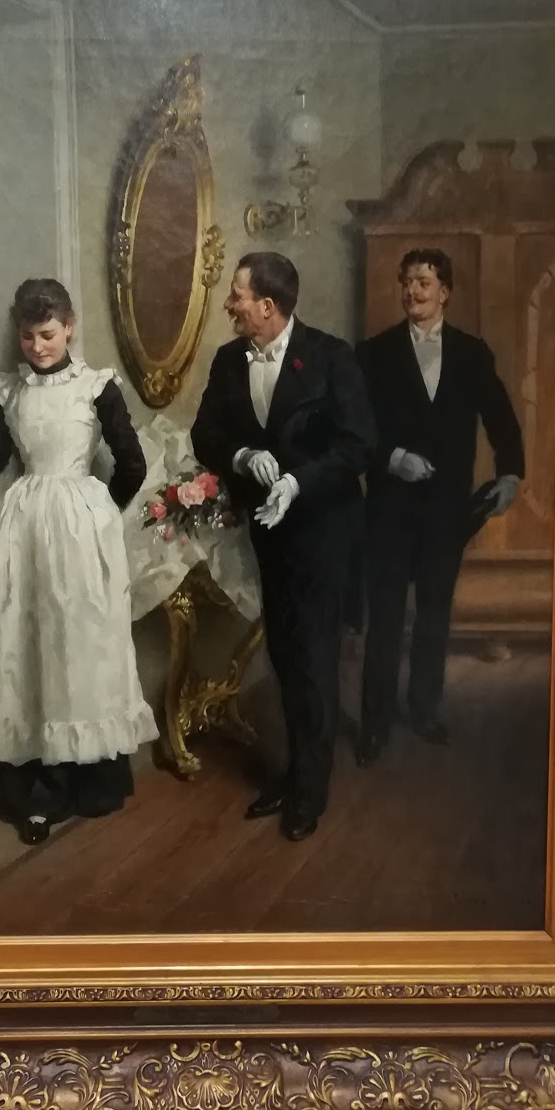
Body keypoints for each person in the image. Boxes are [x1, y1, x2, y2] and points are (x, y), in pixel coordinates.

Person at [0, 278, 156, 845]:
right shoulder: (11, 391)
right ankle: (36, 791)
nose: (38, 347)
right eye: (27, 337)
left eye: (47, 334)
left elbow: (132, 464)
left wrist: (97, 511)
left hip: (80, 529)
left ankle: (87, 781)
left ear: (69, 327)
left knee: (81, 644)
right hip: (24, 528)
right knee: (26, 644)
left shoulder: (96, 387)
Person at [190, 252, 375, 841]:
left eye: (237, 294)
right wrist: (243, 455)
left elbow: (359, 446)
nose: (229, 303)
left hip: (325, 532)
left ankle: (309, 794)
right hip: (270, 534)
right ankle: (295, 774)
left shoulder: (331, 357)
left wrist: (297, 481)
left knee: (315, 661)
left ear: (267, 306)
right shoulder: (228, 360)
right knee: (287, 657)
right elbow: (204, 434)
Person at [356, 247, 524, 759]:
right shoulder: (374, 353)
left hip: (446, 511)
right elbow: (356, 430)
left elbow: (501, 419)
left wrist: (511, 473)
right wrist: (393, 459)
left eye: (423, 282)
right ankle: (376, 721)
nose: (413, 291)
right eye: (407, 282)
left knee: (434, 614)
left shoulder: (472, 353)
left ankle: (424, 710)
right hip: (388, 508)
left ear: (445, 292)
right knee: (386, 615)